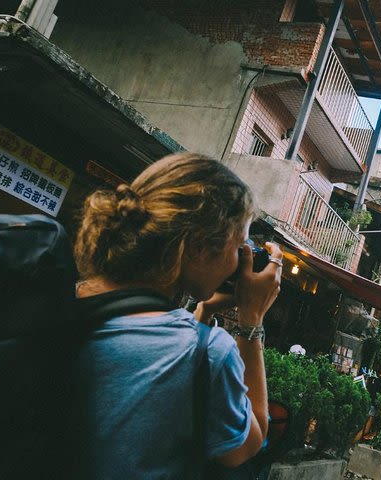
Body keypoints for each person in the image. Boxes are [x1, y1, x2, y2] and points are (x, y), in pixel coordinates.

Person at [71, 153, 282, 478]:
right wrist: (251, 318)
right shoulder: (209, 353)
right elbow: (249, 443)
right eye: (238, 246)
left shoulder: (62, 299)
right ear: (199, 248)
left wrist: (204, 312)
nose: (237, 264)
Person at [362, 366, 381, 439]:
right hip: (375, 403)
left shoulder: (373, 379)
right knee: (370, 419)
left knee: (366, 418)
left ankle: (363, 434)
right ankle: (365, 435)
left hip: (368, 400)